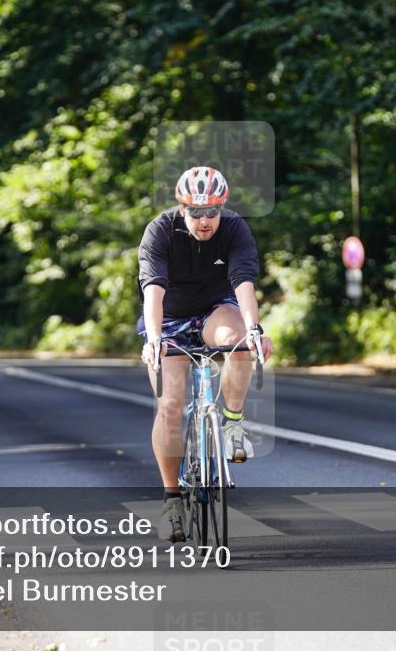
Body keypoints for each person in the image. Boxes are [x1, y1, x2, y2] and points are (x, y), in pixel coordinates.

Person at [137, 166, 274, 542]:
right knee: (170, 405)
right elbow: (153, 292)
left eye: (211, 211)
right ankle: (171, 500)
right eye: (195, 212)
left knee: (241, 340)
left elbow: (243, 282)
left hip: (216, 309)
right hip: (171, 317)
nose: (204, 220)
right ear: (181, 207)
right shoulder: (160, 231)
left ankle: (231, 422)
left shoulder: (234, 229)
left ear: (222, 207)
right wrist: (153, 339)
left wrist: (255, 328)